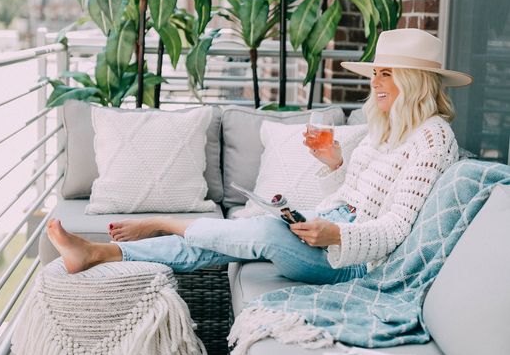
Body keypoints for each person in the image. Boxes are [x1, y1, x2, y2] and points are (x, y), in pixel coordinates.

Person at [47, 28, 472, 285]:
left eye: (386, 73)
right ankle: (102, 254)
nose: (376, 82)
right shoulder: (387, 127)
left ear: (414, 81)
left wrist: (337, 236)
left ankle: (167, 223)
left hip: (356, 263)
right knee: (241, 236)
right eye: (375, 73)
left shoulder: (433, 139)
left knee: (265, 235)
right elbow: (354, 197)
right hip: (329, 233)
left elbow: (396, 228)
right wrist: (334, 166)